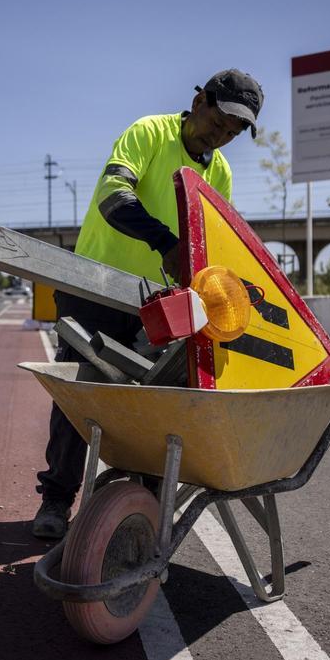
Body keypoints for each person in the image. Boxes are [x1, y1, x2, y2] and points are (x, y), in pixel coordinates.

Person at [32, 69, 264, 539]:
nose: (220, 136)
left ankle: (142, 502)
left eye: (232, 132)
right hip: (96, 286)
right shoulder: (150, 133)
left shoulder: (219, 172)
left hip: (158, 302)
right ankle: (56, 498)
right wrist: (166, 243)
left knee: (157, 402)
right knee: (81, 393)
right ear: (199, 102)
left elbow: (211, 241)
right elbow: (113, 197)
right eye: (218, 122)